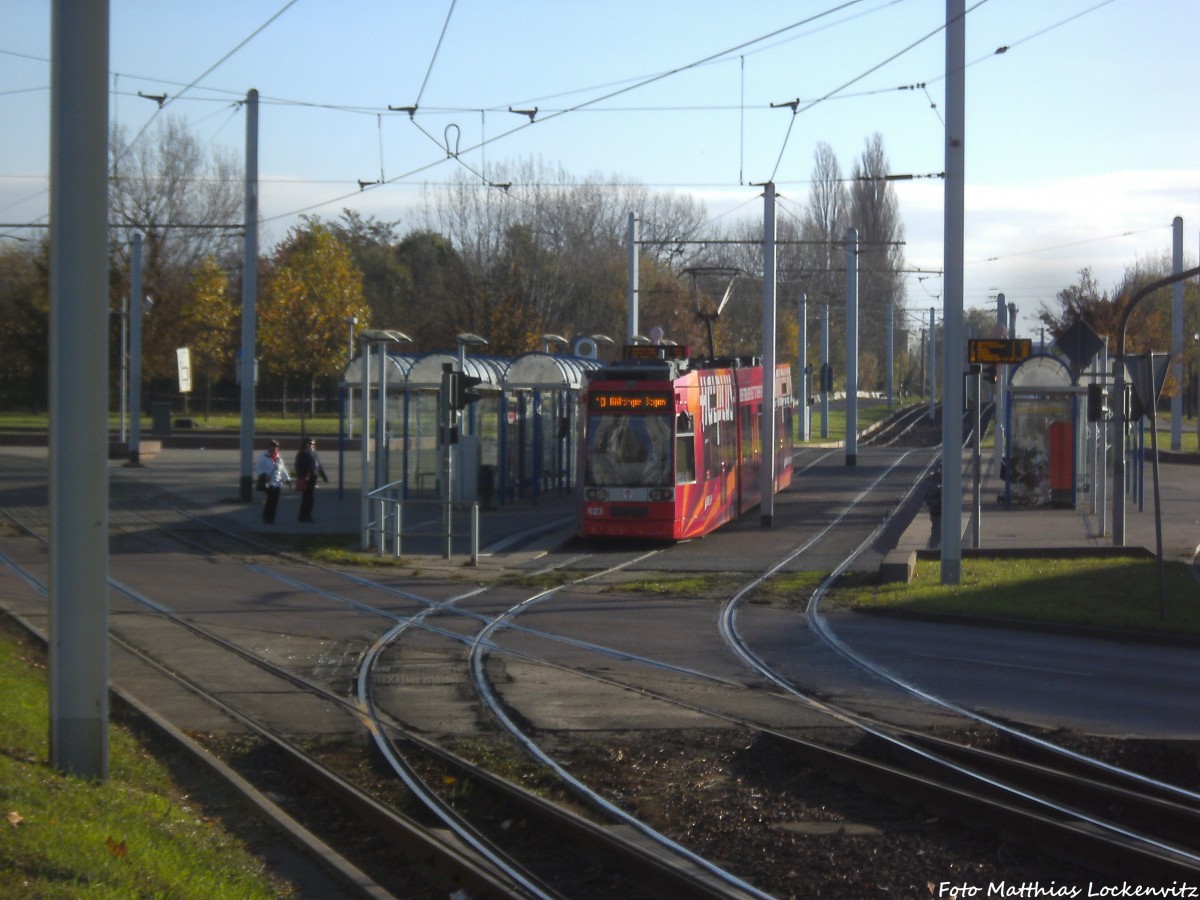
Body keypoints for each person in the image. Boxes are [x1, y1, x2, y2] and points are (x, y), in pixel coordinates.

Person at [293, 437, 328, 523]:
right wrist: (302, 475)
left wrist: (323, 476)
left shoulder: (313, 453)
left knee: (309, 498)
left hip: (313, 477)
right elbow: (298, 466)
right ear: (306, 444)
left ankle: (304, 515)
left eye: (313, 444)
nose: (312, 445)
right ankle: (305, 516)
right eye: (311, 443)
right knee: (307, 498)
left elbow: (318, 465)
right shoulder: (302, 453)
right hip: (306, 478)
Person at [255, 439, 290, 524]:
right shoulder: (263, 457)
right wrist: (263, 475)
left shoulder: (278, 458)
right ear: (268, 447)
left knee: (274, 502)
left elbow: (283, 469)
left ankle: (271, 518)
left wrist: (287, 479)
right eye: (272, 447)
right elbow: (258, 468)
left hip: (277, 483)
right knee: (271, 500)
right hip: (268, 483)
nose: (274, 449)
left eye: (276, 447)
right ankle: (267, 517)